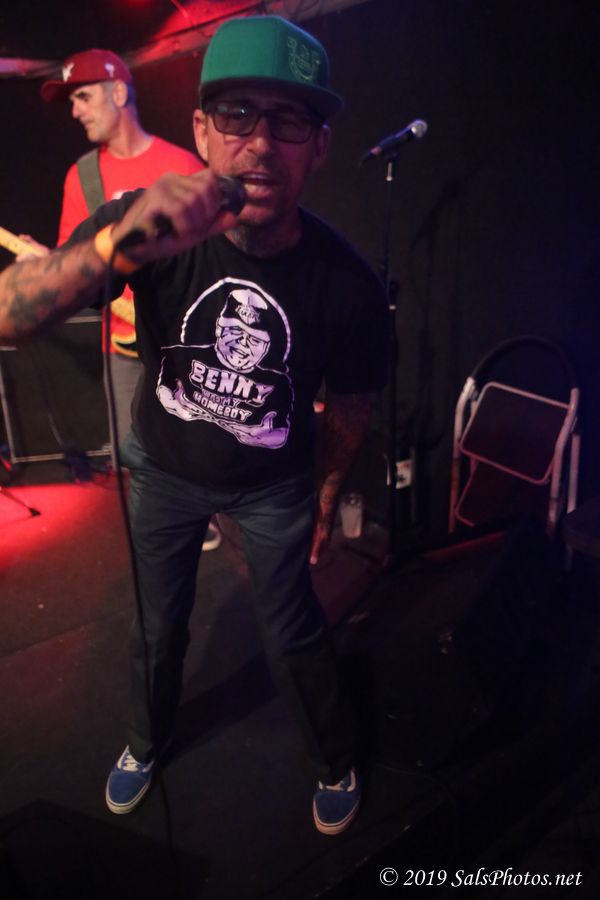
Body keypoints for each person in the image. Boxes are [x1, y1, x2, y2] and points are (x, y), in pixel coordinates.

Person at [0, 15, 388, 835]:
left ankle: (333, 757)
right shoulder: (146, 224)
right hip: (164, 470)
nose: (260, 144)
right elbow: (10, 313)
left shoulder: (347, 282)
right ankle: (146, 742)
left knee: (294, 632)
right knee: (157, 626)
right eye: (238, 115)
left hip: (272, 487)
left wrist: (324, 492)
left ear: (319, 147)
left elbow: (353, 402)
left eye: (289, 120)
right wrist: (120, 248)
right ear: (202, 131)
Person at [31, 48, 221, 549]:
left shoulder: (181, 165)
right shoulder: (81, 177)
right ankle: (155, 529)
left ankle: (200, 517)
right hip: (118, 346)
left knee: (193, 437)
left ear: (119, 92)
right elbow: (75, 263)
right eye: (73, 101)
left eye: (84, 97)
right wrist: (45, 265)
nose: (76, 111)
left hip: (178, 344)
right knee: (133, 449)